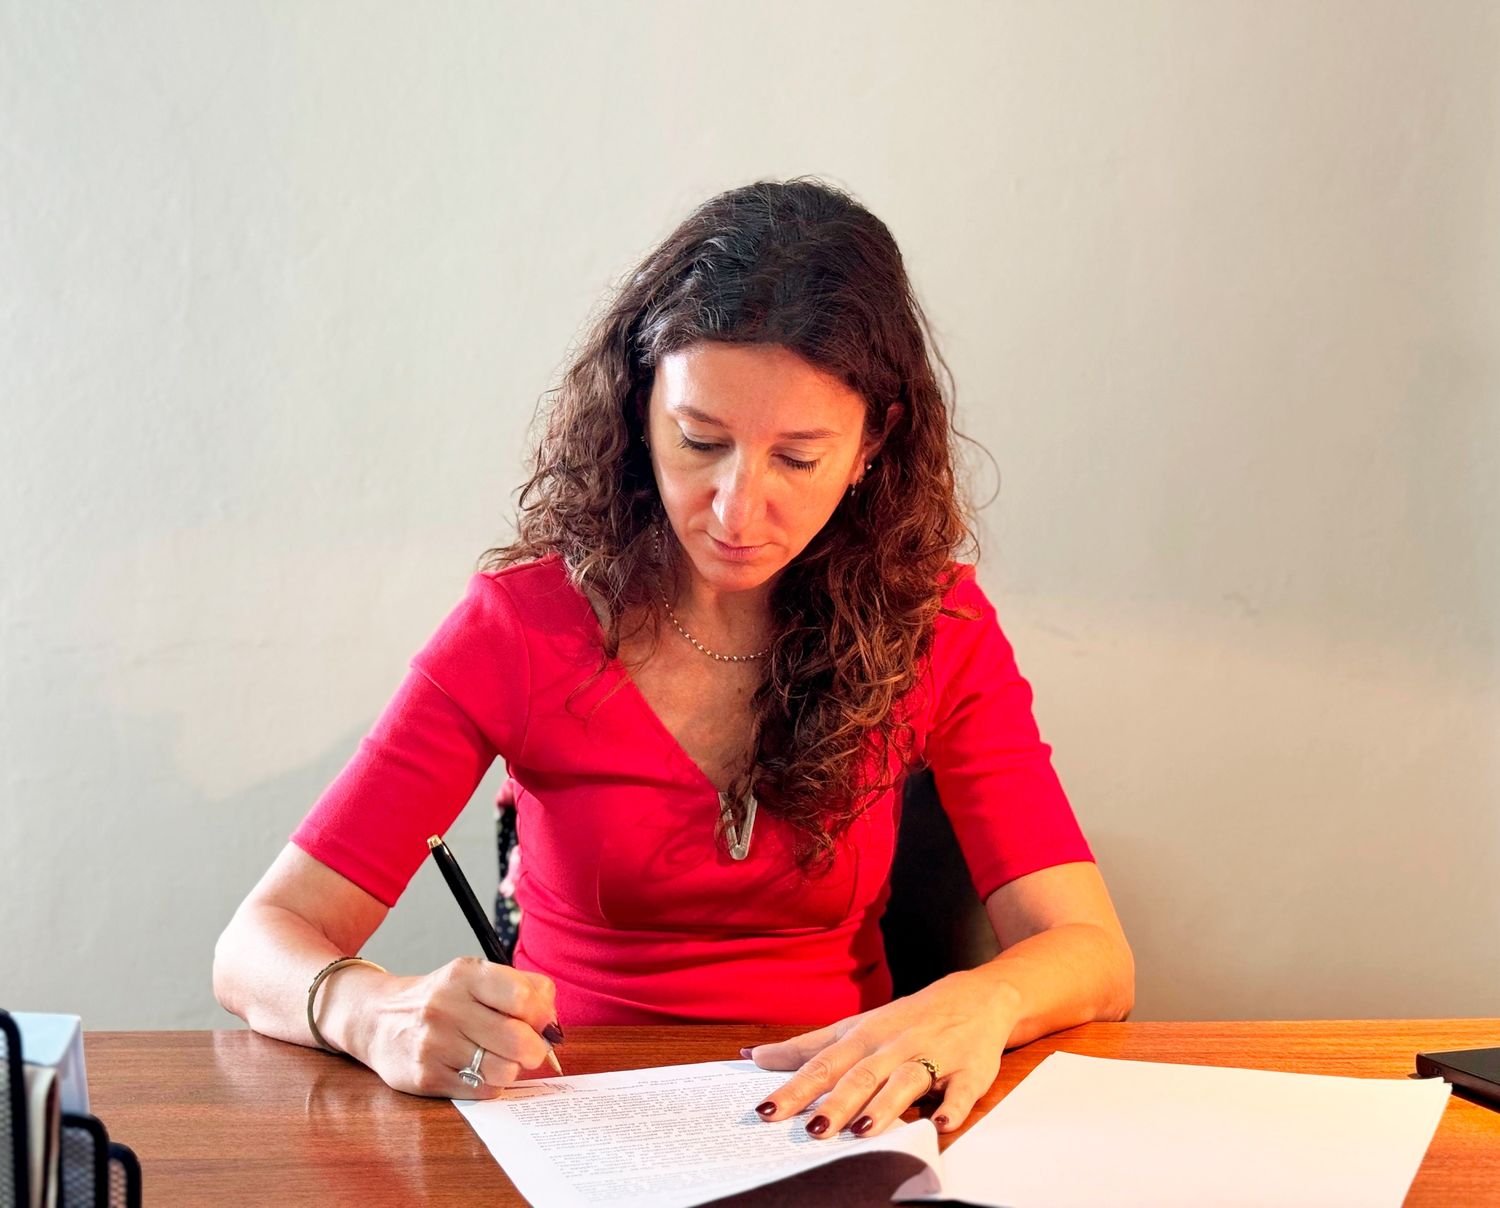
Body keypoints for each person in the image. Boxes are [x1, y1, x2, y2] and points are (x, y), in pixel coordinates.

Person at [213, 176, 1134, 1141]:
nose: (737, 511)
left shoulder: (937, 623)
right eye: (700, 440)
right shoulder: (519, 630)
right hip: (579, 1123)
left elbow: (1092, 952)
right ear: (640, 405)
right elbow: (255, 947)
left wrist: (976, 1002)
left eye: (798, 458)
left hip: (835, 1120)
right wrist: (372, 1011)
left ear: (873, 444)